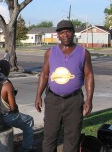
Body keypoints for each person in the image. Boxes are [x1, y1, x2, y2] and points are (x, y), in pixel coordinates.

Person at [35, 20, 94, 151]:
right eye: (61, 32)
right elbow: (44, 75)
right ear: (58, 35)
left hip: (74, 101)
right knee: (49, 138)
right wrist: (38, 95)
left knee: (72, 139)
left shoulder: (84, 53)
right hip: (53, 100)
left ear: (73, 33)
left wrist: (89, 99)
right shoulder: (50, 53)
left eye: (68, 31)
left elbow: (89, 75)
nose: (65, 35)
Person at [0, 60, 35, 152]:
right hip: (4, 117)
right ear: (7, 70)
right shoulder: (7, 85)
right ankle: (27, 149)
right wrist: (16, 110)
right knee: (29, 121)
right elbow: (13, 107)